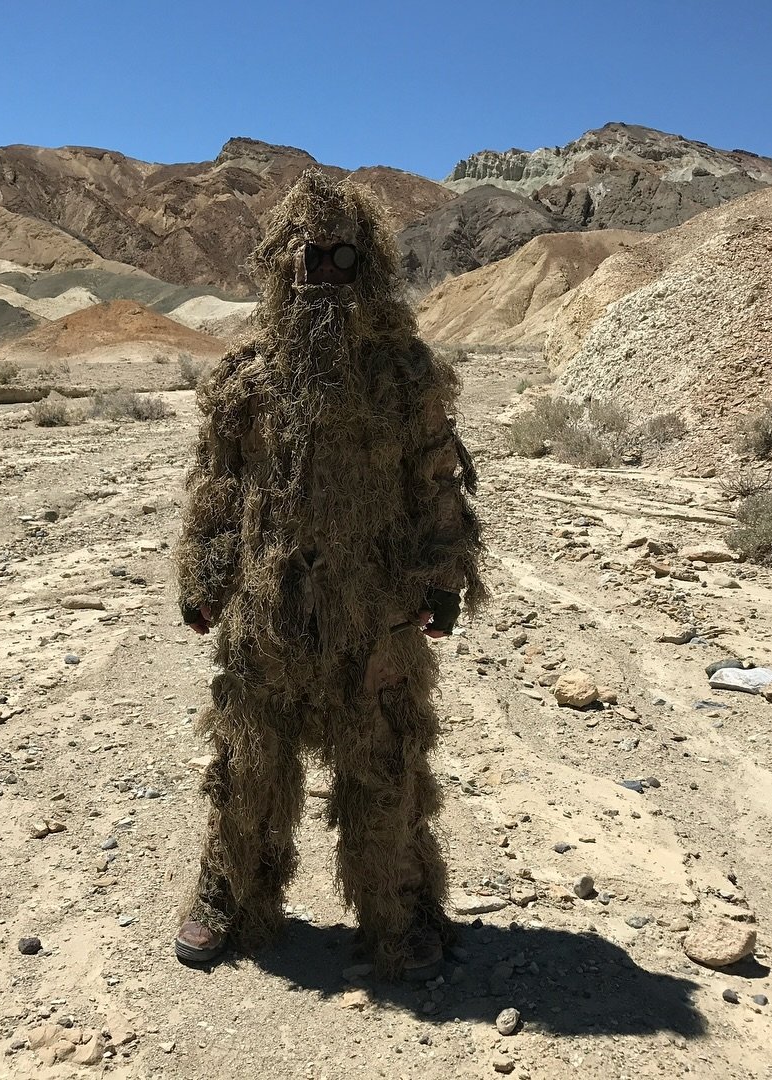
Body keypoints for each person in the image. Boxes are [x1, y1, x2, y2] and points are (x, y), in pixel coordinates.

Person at [172, 170, 485, 980]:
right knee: (247, 767)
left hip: (375, 617)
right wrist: (204, 574)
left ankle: (400, 916)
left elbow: (436, 483)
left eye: (343, 259)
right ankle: (228, 901)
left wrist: (444, 580)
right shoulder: (248, 374)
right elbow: (219, 484)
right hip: (265, 612)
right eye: (309, 260)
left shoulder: (407, 375)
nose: (324, 278)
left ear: (370, 267)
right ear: (283, 266)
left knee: (385, 771)